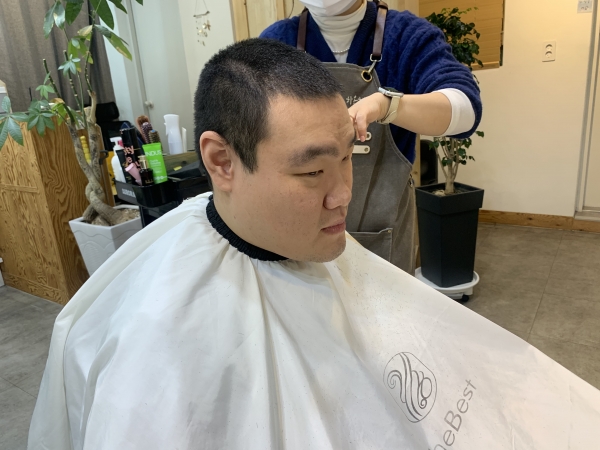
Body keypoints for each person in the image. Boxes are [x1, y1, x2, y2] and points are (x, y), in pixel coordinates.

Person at [29, 39, 599, 450]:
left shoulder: (403, 36)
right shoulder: (157, 339)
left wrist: (393, 105)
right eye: (311, 173)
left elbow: (465, 105)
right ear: (221, 161)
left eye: (347, 159)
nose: (342, 196)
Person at [260, 0, 483, 274]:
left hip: (384, 236)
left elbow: (465, 109)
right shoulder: (276, 43)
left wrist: (387, 105)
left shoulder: (406, 36)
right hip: (300, 241)